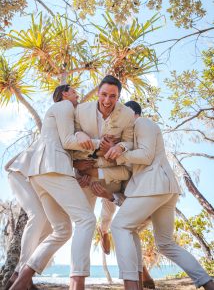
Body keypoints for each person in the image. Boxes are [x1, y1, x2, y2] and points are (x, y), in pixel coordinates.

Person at [109, 100, 214, 290]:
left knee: (119, 226)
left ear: (133, 113)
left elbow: (146, 156)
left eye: (123, 113)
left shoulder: (143, 123)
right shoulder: (133, 135)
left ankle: (132, 285)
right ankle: (208, 283)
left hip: (154, 186)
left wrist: (120, 155)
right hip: (163, 188)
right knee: (165, 244)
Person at [10, 85, 96, 290]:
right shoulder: (64, 105)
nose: (77, 94)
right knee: (86, 219)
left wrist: (77, 165)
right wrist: (100, 143)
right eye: (74, 91)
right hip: (51, 169)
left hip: (39, 175)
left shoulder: (61, 114)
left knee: (62, 230)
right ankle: (77, 283)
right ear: (64, 94)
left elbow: (63, 142)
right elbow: (67, 140)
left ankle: (20, 281)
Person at [73, 75, 135, 254]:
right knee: (84, 221)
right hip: (84, 175)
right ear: (98, 92)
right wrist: (79, 135)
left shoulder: (127, 114)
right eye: (104, 94)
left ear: (119, 96)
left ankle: (105, 230)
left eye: (113, 96)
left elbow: (130, 142)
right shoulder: (81, 110)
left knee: (110, 209)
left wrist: (120, 147)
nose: (107, 101)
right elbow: (72, 132)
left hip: (110, 173)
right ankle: (79, 271)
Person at [4, 143, 52, 290]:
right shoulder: (55, 131)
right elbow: (8, 165)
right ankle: (21, 274)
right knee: (38, 214)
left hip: (35, 180)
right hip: (19, 174)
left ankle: (21, 275)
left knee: (51, 228)